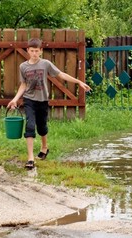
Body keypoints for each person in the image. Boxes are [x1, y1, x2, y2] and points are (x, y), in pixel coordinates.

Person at [7, 38, 91, 169]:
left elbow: (61, 74)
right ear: (28, 51)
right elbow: (23, 84)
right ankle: (30, 158)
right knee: (29, 126)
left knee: (42, 127)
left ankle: (44, 147)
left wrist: (79, 82)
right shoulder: (23, 66)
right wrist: (15, 99)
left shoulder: (45, 64)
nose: (34, 53)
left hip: (42, 100)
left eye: (37, 51)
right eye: (32, 51)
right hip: (29, 100)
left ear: (41, 51)